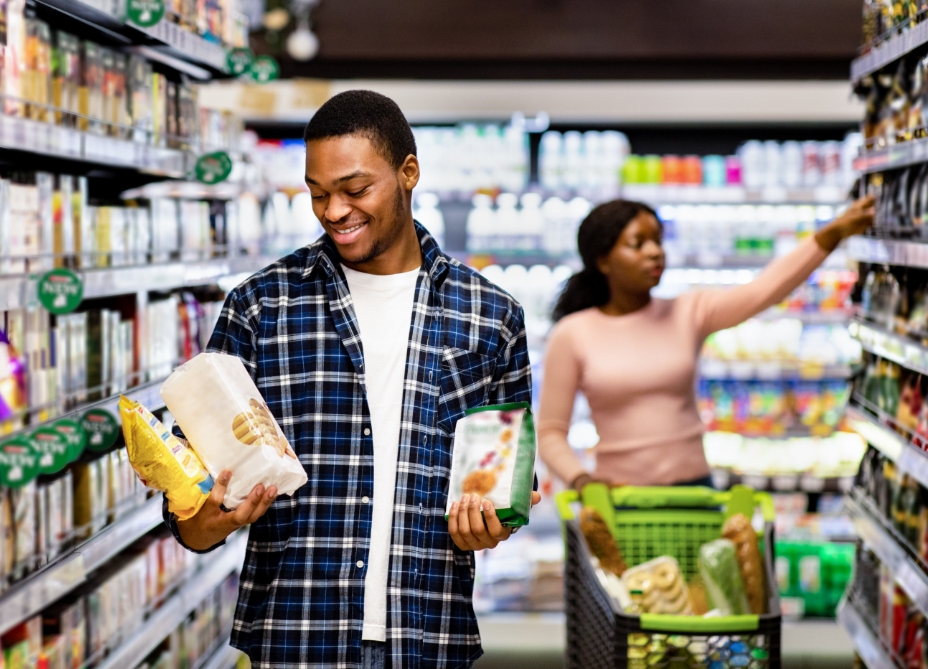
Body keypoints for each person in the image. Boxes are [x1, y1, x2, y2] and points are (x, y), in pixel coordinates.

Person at [162, 90, 539, 669]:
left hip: (429, 634)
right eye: (318, 194)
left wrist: (490, 525)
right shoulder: (262, 307)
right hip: (294, 637)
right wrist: (209, 518)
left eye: (356, 190)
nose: (334, 210)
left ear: (408, 172)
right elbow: (190, 509)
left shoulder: (491, 316)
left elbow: (507, 484)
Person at [537, 195, 875, 492]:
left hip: (695, 490)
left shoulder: (688, 312)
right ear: (603, 261)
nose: (655, 252)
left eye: (658, 241)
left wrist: (831, 235)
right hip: (617, 498)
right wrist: (581, 479)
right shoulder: (573, 333)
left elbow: (763, 290)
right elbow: (551, 431)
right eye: (637, 244)